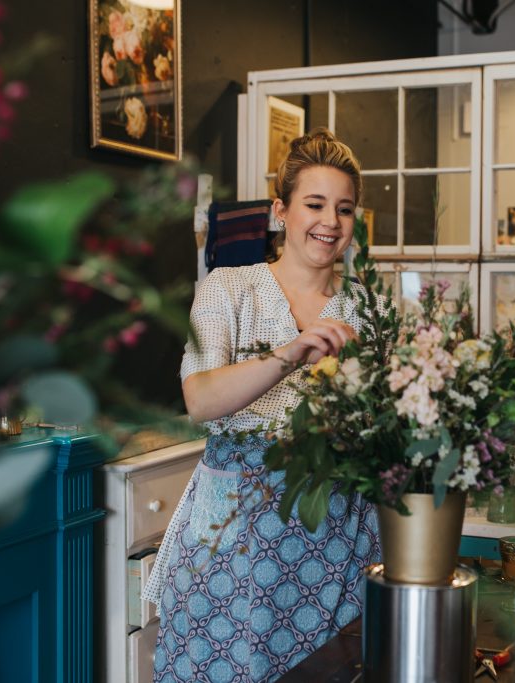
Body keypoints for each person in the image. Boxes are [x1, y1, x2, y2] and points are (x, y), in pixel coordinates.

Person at [144, 128, 381, 683]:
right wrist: (290, 353)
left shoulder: (366, 310)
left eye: (344, 209)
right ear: (281, 210)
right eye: (315, 204)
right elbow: (200, 399)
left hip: (335, 537)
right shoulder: (228, 289)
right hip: (232, 543)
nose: (330, 222)